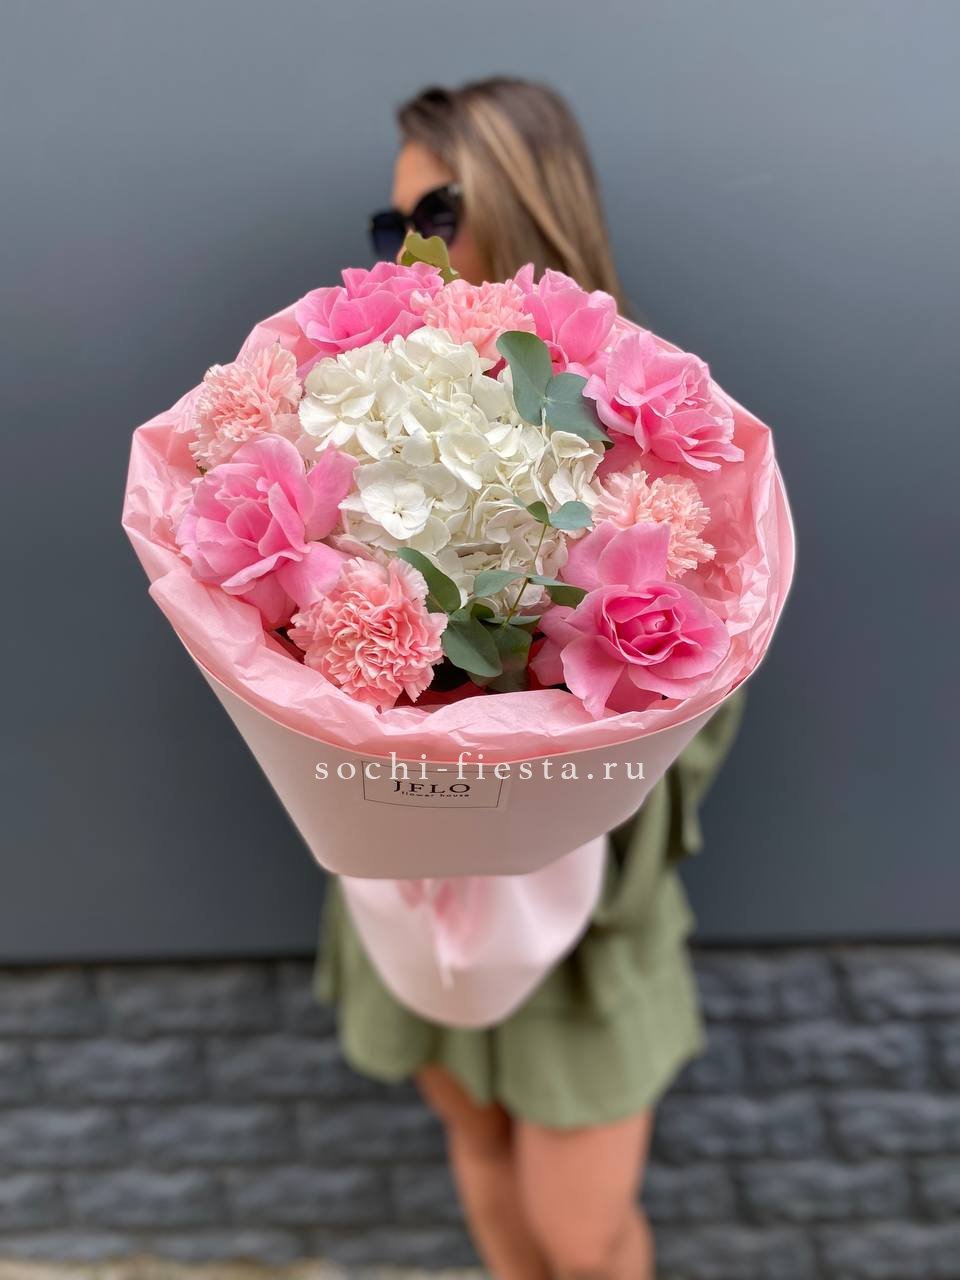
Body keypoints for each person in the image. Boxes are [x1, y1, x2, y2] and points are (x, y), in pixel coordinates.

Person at [315, 77, 745, 1280]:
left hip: (584, 887)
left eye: (440, 210)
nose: (413, 246)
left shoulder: (652, 426)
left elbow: (708, 661)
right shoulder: (364, 408)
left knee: (583, 1235)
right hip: (420, 887)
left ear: (527, 199)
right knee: (486, 1162)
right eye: (392, 221)